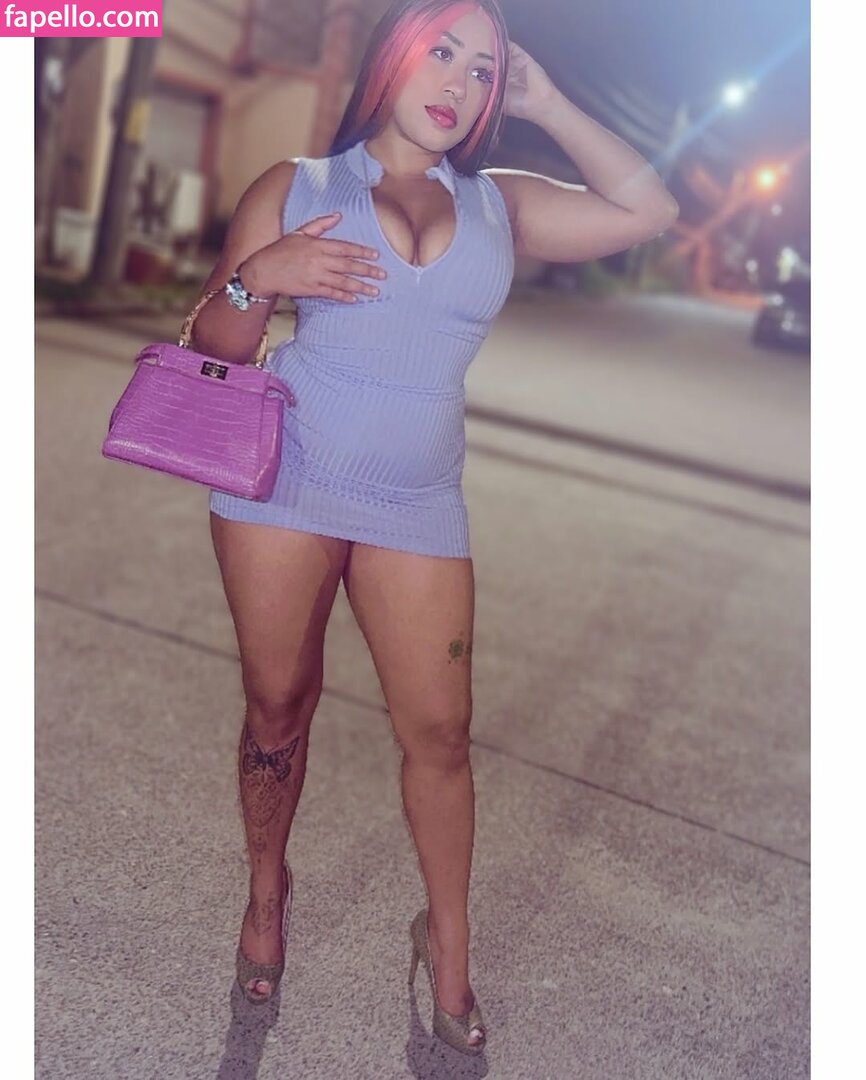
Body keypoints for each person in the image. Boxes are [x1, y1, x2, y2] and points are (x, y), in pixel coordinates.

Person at [189, 0, 678, 1055]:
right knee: (277, 709)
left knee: (441, 734)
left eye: (483, 70)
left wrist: (550, 103)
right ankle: (267, 894)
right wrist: (257, 278)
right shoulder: (297, 186)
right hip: (282, 485)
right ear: (394, 54)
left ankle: (446, 946)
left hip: (417, 506)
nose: (458, 82)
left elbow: (648, 208)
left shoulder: (499, 203)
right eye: (442, 52)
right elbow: (214, 348)